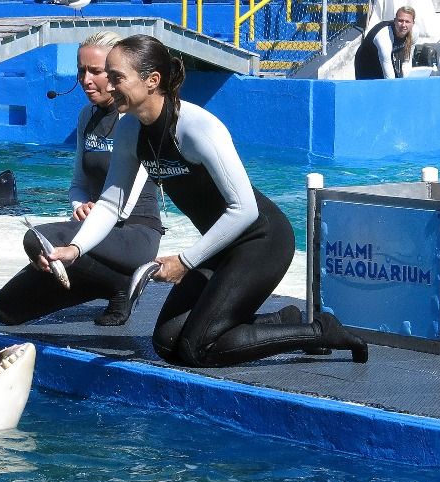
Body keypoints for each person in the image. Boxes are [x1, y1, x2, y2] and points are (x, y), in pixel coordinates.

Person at [42, 34, 368, 367]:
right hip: (220, 246)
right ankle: (282, 320)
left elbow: (245, 210)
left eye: (117, 77)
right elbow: (111, 203)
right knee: (168, 343)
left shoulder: (196, 128)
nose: (109, 86)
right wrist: (74, 249)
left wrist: (185, 261)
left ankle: (320, 330)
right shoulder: (131, 129)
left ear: (152, 80)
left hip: (260, 241)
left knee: (198, 348)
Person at [0, 32, 163, 327]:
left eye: (96, 71)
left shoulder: (135, 120)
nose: (86, 80)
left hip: (134, 235)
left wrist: (99, 214)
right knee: (6, 309)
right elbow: (78, 182)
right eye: (82, 70)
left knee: (38, 237)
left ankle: (122, 283)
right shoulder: (87, 117)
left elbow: (129, 195)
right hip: (93, 234)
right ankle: (106, 281)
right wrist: (80, 204)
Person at [354, 7, 416, 79]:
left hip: (385, 59)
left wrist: (406, 83)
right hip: (366, 61)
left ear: (413, 23)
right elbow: (389, 78)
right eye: (400, 21)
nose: (403, 25)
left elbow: (407, 61)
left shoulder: (414, 33)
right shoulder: (384, 36)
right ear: (395, 21)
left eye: (407, 22)